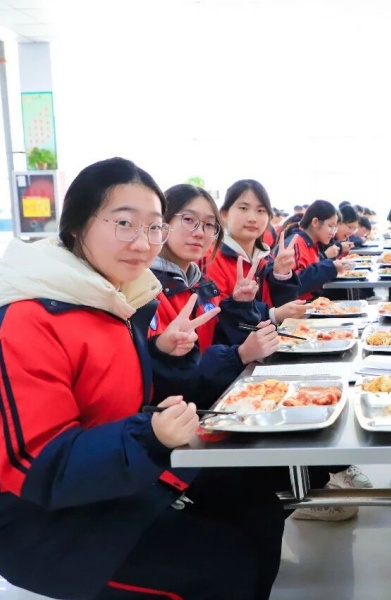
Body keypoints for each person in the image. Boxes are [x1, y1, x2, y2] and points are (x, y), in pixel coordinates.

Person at [0, 157, 285, 600]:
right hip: (46, 524)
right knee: (226, 566)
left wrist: (162, 359)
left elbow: (119, 391)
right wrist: (149, 435)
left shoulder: (114, 299)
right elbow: (36, 463)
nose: (142, 242)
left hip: (119, 483)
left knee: (259, 506)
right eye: (124, 223)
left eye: (153, 227)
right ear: (75, 225)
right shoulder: (29, 318)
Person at [148, 183, 281, 407]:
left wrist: (239, 306)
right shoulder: (146, 292)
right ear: (162, 223)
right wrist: (240, 355)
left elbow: (217, 339)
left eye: (209, 225)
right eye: (188, 219)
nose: (200, 232)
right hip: (180, 414)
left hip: (217, 401)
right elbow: (171, 381)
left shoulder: (200, 284)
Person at [204, 179, 306, 324]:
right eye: (243, 208)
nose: (252, 218)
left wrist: (281, 276)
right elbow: (215, 314)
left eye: (260, 211)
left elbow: (284, 307)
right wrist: (271, 315)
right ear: (224, 214)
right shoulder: (211, 257)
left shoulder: (266, 257)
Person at [283, 199, 352, 300]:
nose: (333, 233)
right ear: (315, 222)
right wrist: (331, 267)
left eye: (335, 228)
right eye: (330, 226)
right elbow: (294, 284)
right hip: (299, 305)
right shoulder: (296, 243)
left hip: (311, 301)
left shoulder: (312, 244)